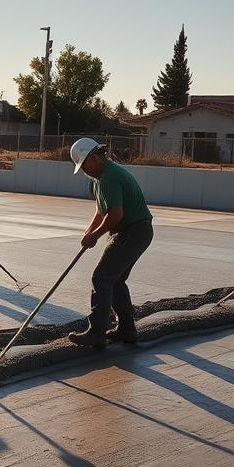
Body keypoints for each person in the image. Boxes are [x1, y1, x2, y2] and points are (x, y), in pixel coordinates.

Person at [65, 138, 154, 348]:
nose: (84, 170)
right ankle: (127, 330)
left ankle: (97, 332)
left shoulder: (110, 176)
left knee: (102, 278)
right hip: (133, 232)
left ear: (94, 157)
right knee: (115, 280)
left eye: (84, 165)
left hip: (134, 231)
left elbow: (115, 214)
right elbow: (101, 211)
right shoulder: (98, 179)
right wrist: (89, 232)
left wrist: (95, 236)